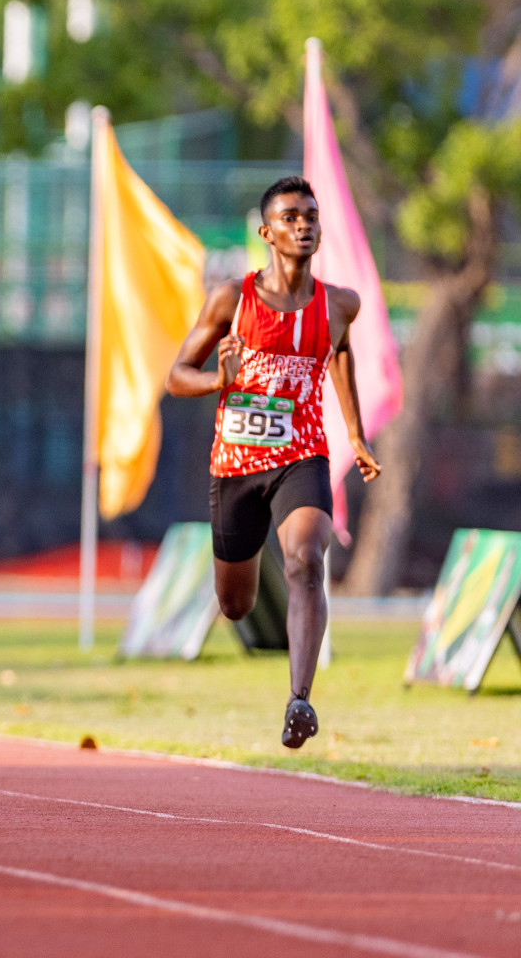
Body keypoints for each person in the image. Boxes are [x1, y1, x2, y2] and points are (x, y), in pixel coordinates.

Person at [166, 175, 380, 749]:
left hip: (300, 455)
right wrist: (219, 379)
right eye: (290, 216)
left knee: (306, 559)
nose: (304, 224)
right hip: (235, 464)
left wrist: (356, 436)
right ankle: (251, 601)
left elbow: (339, 357)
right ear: (267, 232)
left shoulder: (340, 304)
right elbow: (175, 375)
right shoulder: (231, 300)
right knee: (236, 606)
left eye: (311, 215)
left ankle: (300, 701)